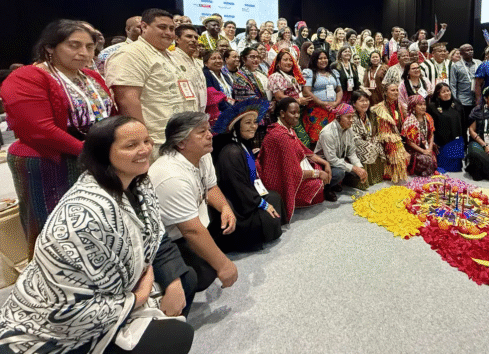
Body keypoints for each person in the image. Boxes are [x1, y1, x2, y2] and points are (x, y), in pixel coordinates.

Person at [0, 116, 195, 354]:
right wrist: (138, 297)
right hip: (56, 327)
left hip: (119, 290)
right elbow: (65, 309)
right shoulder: (82, 216)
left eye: (146, 141)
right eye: (131, 145)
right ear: (103, 153)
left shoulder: (139, 184)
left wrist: (173, 283)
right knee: (176, 336)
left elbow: (157, 236)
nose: (144, 149)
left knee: (186, 280)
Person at [1, 20, 114, 255]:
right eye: (74, 45)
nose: (84, 53)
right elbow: (40, 129)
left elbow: (111, 113)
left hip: (92, 157)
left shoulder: (90, 76)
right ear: (50, 47)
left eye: (89, 47)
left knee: (91, 225)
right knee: (54, 230)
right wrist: (90, 152)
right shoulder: (27, 76)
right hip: (48, 161)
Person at [149, 112, 239, 295]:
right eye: (201, 132)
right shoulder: (171, 176)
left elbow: (210, 187)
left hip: (192, 220)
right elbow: (190, 230)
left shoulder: (202, 154)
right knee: (203, 274)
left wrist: (225, 207)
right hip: (168, 240)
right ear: (181, 143)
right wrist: (224, 265)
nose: (210, 135)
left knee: (229, 206)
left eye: (209, 130)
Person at [107, 9, 198, 152]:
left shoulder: (172, 56)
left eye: (171, 29)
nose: (168, 33)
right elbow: (127, 100)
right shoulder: (130, 54)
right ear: (144, 27)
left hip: (183, 137)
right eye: (162, 27)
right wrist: (142, 139)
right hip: (156, 141)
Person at [210, 98, 283, 251]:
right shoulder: (231, 152)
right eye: (248, 123)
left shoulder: (242, 145)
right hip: (238, 206)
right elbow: (237, 189)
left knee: (275, 196)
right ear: (236, 126)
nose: (254, 126)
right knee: (269, 216)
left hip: (247, 196)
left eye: (255, 122)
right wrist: (262, 204)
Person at [257, 97, 331, 214]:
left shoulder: (288, 130)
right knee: (318, 182)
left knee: (322, 167)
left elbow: (305, 151)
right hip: (280, 179)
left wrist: (326, 163)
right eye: (293, 113)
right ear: (282, 113)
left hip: (295, 170)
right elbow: (291, 172)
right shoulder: (280, 136)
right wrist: (318, 173)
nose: (297, 116)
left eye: (298, 112)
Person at [314, 103, 368, 197]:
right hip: (324, 164)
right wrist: (354, 168)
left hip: (337, 160)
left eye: (353, 117)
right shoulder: (327, 133)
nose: (352, 120)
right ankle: (325, 188)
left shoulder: (348, 129)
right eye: (348, 117)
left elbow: (351, 152)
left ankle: (334, 183)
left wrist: (360, 168)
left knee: (357, 170)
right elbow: (332, 160)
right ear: (338, 118)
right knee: (340, 173)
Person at [267, 48, 311, 146]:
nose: (289, 62)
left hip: (297, 112)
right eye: (285, 60)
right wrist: (298, 101)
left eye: (291, 60)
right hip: (287, 114)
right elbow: (279, 97)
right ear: (278, 63)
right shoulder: (276, 76)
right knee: (302, 140)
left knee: (302, 139)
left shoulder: (291, 76)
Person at [302, 49, 342, 143]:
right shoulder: (309, 72)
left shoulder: (334, 73)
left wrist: (336, 103)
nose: (323, 60)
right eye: (320, 58)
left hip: (332, 109)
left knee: (333, 138)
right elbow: (306, 91)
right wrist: (322, 103)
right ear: (314, 60)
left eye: (325, 58)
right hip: (317, 109)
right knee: (318, 138)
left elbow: (339, 90)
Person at [372, 83, 409, 182]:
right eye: (392, 90)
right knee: (397, 154)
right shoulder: (380, 108)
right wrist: (399, 144)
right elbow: (384, 132)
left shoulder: (399, 106)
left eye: (397, 90)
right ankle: (391, 174)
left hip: (398, 136)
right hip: (385, 137)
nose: (396, 92)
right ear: (385, 92)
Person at [427, 83, 466, 172]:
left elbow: (463, 123)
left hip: (455, 141)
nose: (447, 93)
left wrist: (464, 141)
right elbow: (429, 126)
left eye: (448, 91)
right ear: (438, 95)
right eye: (443, 92)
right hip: (440, 142)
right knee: (441, 168)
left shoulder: (457, 104)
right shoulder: (432, 106)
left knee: (455, 168)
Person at [351, 90, 386, 186]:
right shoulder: (351, 116)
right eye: (361, 101)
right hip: (354, 141)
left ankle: (375, 178)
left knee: (377, 143)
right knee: (367, 147)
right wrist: (366, 142)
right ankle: (363, 181)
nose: (365, 103)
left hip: (367, 139)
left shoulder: (370, 114)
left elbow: (374, 131)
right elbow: (353, 135)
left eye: (366, 100)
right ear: (354, 103)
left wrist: (373, 139)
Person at [171, 23, 207, 112]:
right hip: (181, 113)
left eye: (196, 38)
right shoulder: (171, 59)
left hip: (199, 112)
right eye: (189, 36)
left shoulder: (197, 63)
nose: (194, 40)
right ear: (177, 39)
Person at [401, 95, 437, 176]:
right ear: (413, 107)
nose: (423, 107)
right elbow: (409, 142)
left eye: (424, 104)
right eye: (420, 105)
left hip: (426, 147)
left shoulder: (428, 117)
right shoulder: (410, 121)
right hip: (414, 150)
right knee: (426, 160)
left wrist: (430, 149)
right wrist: (424, 151)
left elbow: (431, 134)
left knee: (432, 157)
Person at [449, 44, 480, 133]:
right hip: (463, 101)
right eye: (467, 50)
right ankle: (464, 141)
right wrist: (455, 101)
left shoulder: (479, 63)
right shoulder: (456, 66)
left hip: (477, 100)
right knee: (463, 126)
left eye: (471, 49)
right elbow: (453, 85)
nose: (470, 52)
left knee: (476, 126)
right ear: (461, 53)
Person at [202, 49, 234, 125]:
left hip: (230, 111)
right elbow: (214, 97)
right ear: (206, 63)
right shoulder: (205, 74)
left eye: (220, 58)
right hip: (217, 115)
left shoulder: (225, 75)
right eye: (213, 58)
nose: (218, 61)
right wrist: (232, 110)